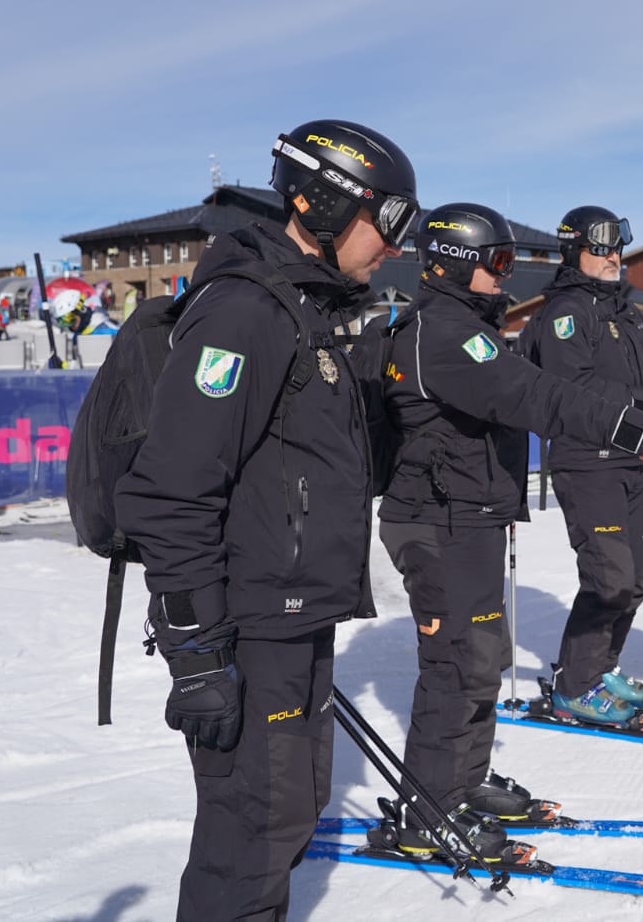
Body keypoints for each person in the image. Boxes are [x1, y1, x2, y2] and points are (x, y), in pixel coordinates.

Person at [114, 119, 423, 920]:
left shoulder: (304, 310)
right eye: (389, 220)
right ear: (322, 202)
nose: (396, 243)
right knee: (247, 836)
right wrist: (197, 654)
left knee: (285, 815)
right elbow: (172, 489)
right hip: (246, 627)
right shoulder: (245, 314)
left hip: (294, 617)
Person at [374, 203, 643, 860]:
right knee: (455, 666)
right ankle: (425, 810)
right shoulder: (444, 333)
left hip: (470, 515)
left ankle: (460, 783)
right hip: (439, 521)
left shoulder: (467, 326)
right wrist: (639, 429)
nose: (507, 277)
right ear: (458, 263)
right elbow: (537, 395)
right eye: (496, 263)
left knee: (483, 660)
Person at [522, 205, 643, 722]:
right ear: (574, 251)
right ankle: (575, 686)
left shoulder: (625, 311)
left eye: (618, 246)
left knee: (639, 578)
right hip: (586, 460)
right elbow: (580, 391)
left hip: (628, 459)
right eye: (601, 248)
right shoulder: (566, 312)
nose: (614, 256)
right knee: (609, 577)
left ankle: (601, 671)